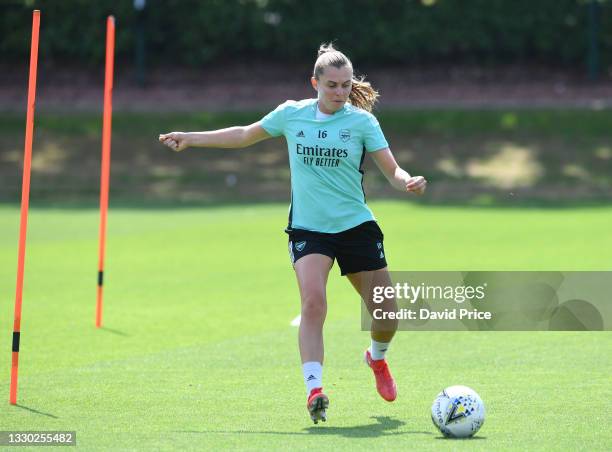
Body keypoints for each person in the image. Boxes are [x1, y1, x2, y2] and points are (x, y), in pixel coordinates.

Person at [159, 43, 427, 424]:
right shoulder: (292, 114)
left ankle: (377, 359)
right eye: (331, 84)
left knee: (386, 314)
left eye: (346, 85)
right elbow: (243, 135)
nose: (339, 92)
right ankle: (314, 389)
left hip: (356, 227)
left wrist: (408, 182)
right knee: (313, 303)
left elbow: (393, 171)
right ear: (314, 82)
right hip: (309, 229)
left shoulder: (362, 122)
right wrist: (191, 137)